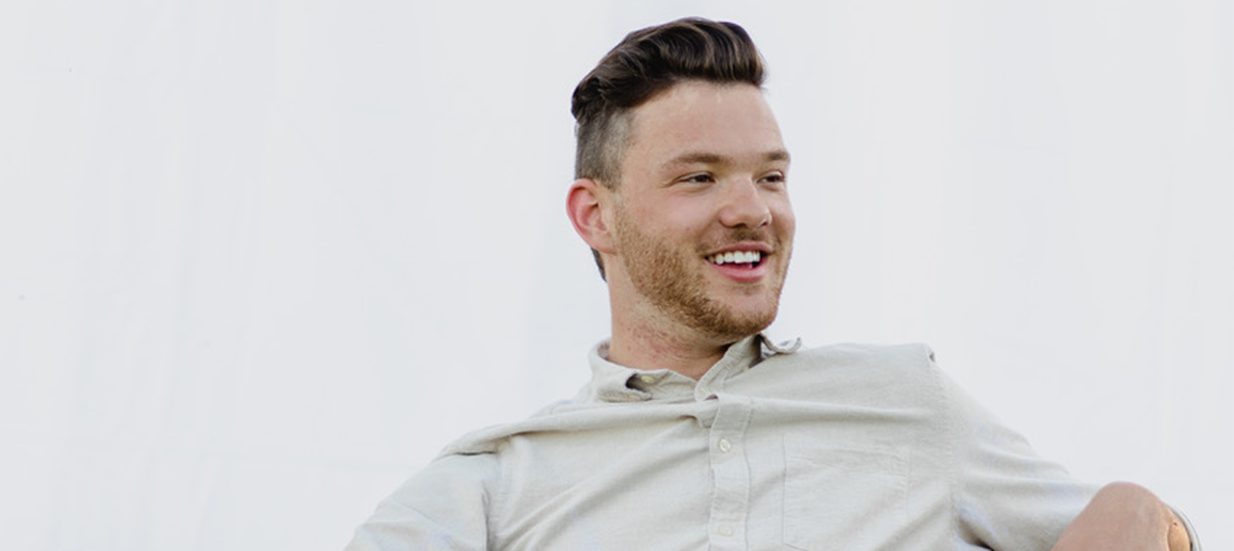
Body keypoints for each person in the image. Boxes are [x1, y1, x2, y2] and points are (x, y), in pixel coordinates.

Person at [346, 17, 1198, 550]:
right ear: (594, 214)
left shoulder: (904, 401)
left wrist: (1139, 515)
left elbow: (1136, 533)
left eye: (772, 177)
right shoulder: (500, 481)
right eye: (700, 178)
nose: (750, 210)